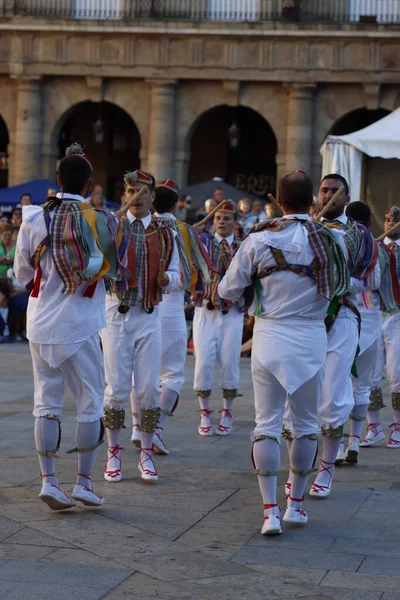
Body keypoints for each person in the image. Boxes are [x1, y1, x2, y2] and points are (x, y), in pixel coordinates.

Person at [219, 172, 348, 534]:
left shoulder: (259, 238)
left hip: (269, 337)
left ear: (277, 199)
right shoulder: (332, 241)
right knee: (306, 425)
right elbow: (343, 286)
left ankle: (270, 511)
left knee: (267, 424)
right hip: (310, 338)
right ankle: (296, 506)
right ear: (313, 201)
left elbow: (228, 289)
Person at [14, 146, 128, 511]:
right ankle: (83, 482)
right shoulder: (104, 220)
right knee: (90, 402)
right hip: (79, 323)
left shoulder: (33, 220)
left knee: (45, 401)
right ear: (90, 184)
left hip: (39, 320)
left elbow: (21, 276)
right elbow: (114, 271)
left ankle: (49, 480)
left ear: (57, 181)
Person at [302, 174, 379, 498]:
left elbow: (372, 278)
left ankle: (327, 469)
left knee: (334, 393)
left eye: (336, 192)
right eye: (324, 190)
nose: (329, 196)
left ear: (347, 199)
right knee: (302, 393)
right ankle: (299, 467)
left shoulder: (358, 234)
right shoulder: (301, 228)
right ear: (316, 195)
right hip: (304, 320)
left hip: (343, 319)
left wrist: (340, 282)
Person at [102, 170, 180, 484]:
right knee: (117, 387)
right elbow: (94, 265)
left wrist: (166, 279)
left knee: (149, 387)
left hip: (149, 315)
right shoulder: (111, 224)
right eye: (129, 191)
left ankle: (146, 454)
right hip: (116, 315)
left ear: (151, 197)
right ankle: (113, 454)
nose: (134, 197)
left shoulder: (165, 232)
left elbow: (178, 275)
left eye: (140, 192)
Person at [130, 179, 213, 454]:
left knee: (138, 372)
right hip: (173, 304)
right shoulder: (182, 230)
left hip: (141, 303)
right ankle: (157, 429)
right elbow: (203, 269)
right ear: (177, 205)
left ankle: (134, 426)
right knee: (173, 373)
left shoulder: (140, 226)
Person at [336, 202, 392, 464]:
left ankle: (338, 446)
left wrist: (342, 284)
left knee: (339, 383)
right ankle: (354, 441)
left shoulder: (339, 242)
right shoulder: (376, 248)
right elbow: (377, 284)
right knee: (363, 384)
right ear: (371, 222)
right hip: (369, 320)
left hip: (346, 318)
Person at [192, 201, 243, 437]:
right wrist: (195, 229)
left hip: (232, 313)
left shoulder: (242, 247)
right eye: (218, 218)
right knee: (203, 361)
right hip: (206, 310)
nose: (221, 222)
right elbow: (188, 242)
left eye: (226, 218)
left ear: (235, 223)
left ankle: (227, 411)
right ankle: (204, 412)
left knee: (230, 361)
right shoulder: (204, 243)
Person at [360, 205, 400, 449]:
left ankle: (397, 427)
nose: (389, 222)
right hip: (374, 314)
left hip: (398, 316)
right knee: (370, 374)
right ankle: (373, 427)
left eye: (395, 219)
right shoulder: (374, 247)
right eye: (386, 219)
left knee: (397, 375)